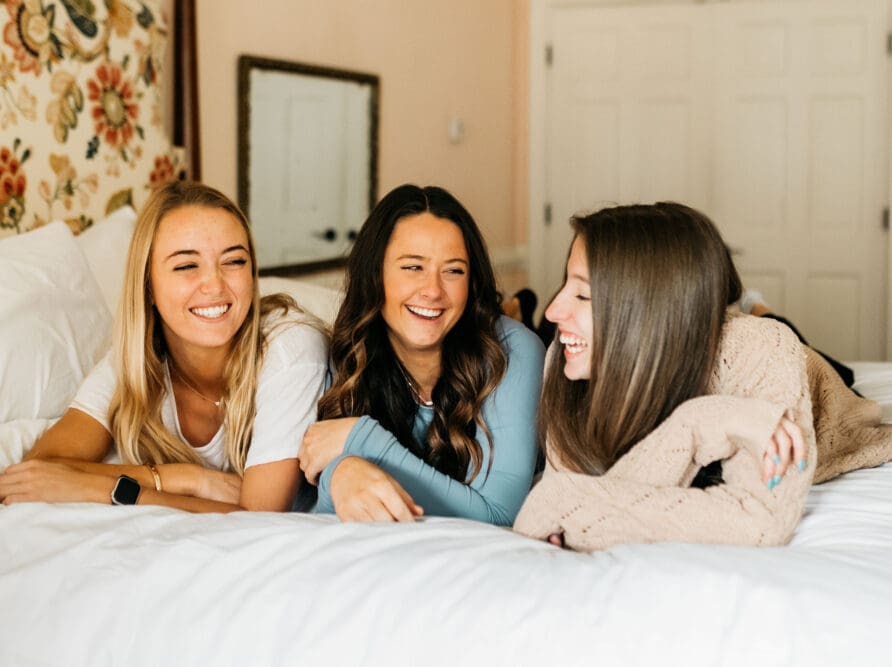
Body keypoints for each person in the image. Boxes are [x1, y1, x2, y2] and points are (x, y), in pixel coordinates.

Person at [513, 202, 892, 551]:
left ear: (650, 313)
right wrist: (695, 425)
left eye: (583, 296)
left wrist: (568, 502)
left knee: (811, 353)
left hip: (816, 382)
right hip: (668, 356)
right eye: (565, 286)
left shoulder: (762, 350)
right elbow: (557, 510)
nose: (553, 312)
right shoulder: (564, 358)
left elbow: (758, 521)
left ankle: (756, 306)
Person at [0, 181, 328, 512]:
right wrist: (186, 479)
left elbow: (260, 517)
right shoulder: (135, 362)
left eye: (234, 261)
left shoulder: (290, 347)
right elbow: (40, 469)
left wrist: (124, 491)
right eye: (187, 265)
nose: (214, 285)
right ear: (148, 287)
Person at [296, 184, 545, 524]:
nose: (433, 290)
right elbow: (303, 511)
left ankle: (520, 307)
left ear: (471, 281)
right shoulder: (346, 351)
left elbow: (498, 514)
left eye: (454, 270)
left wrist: (362, 441)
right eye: (413, 267)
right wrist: (343, 472)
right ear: (375, 275)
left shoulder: (512, 350)